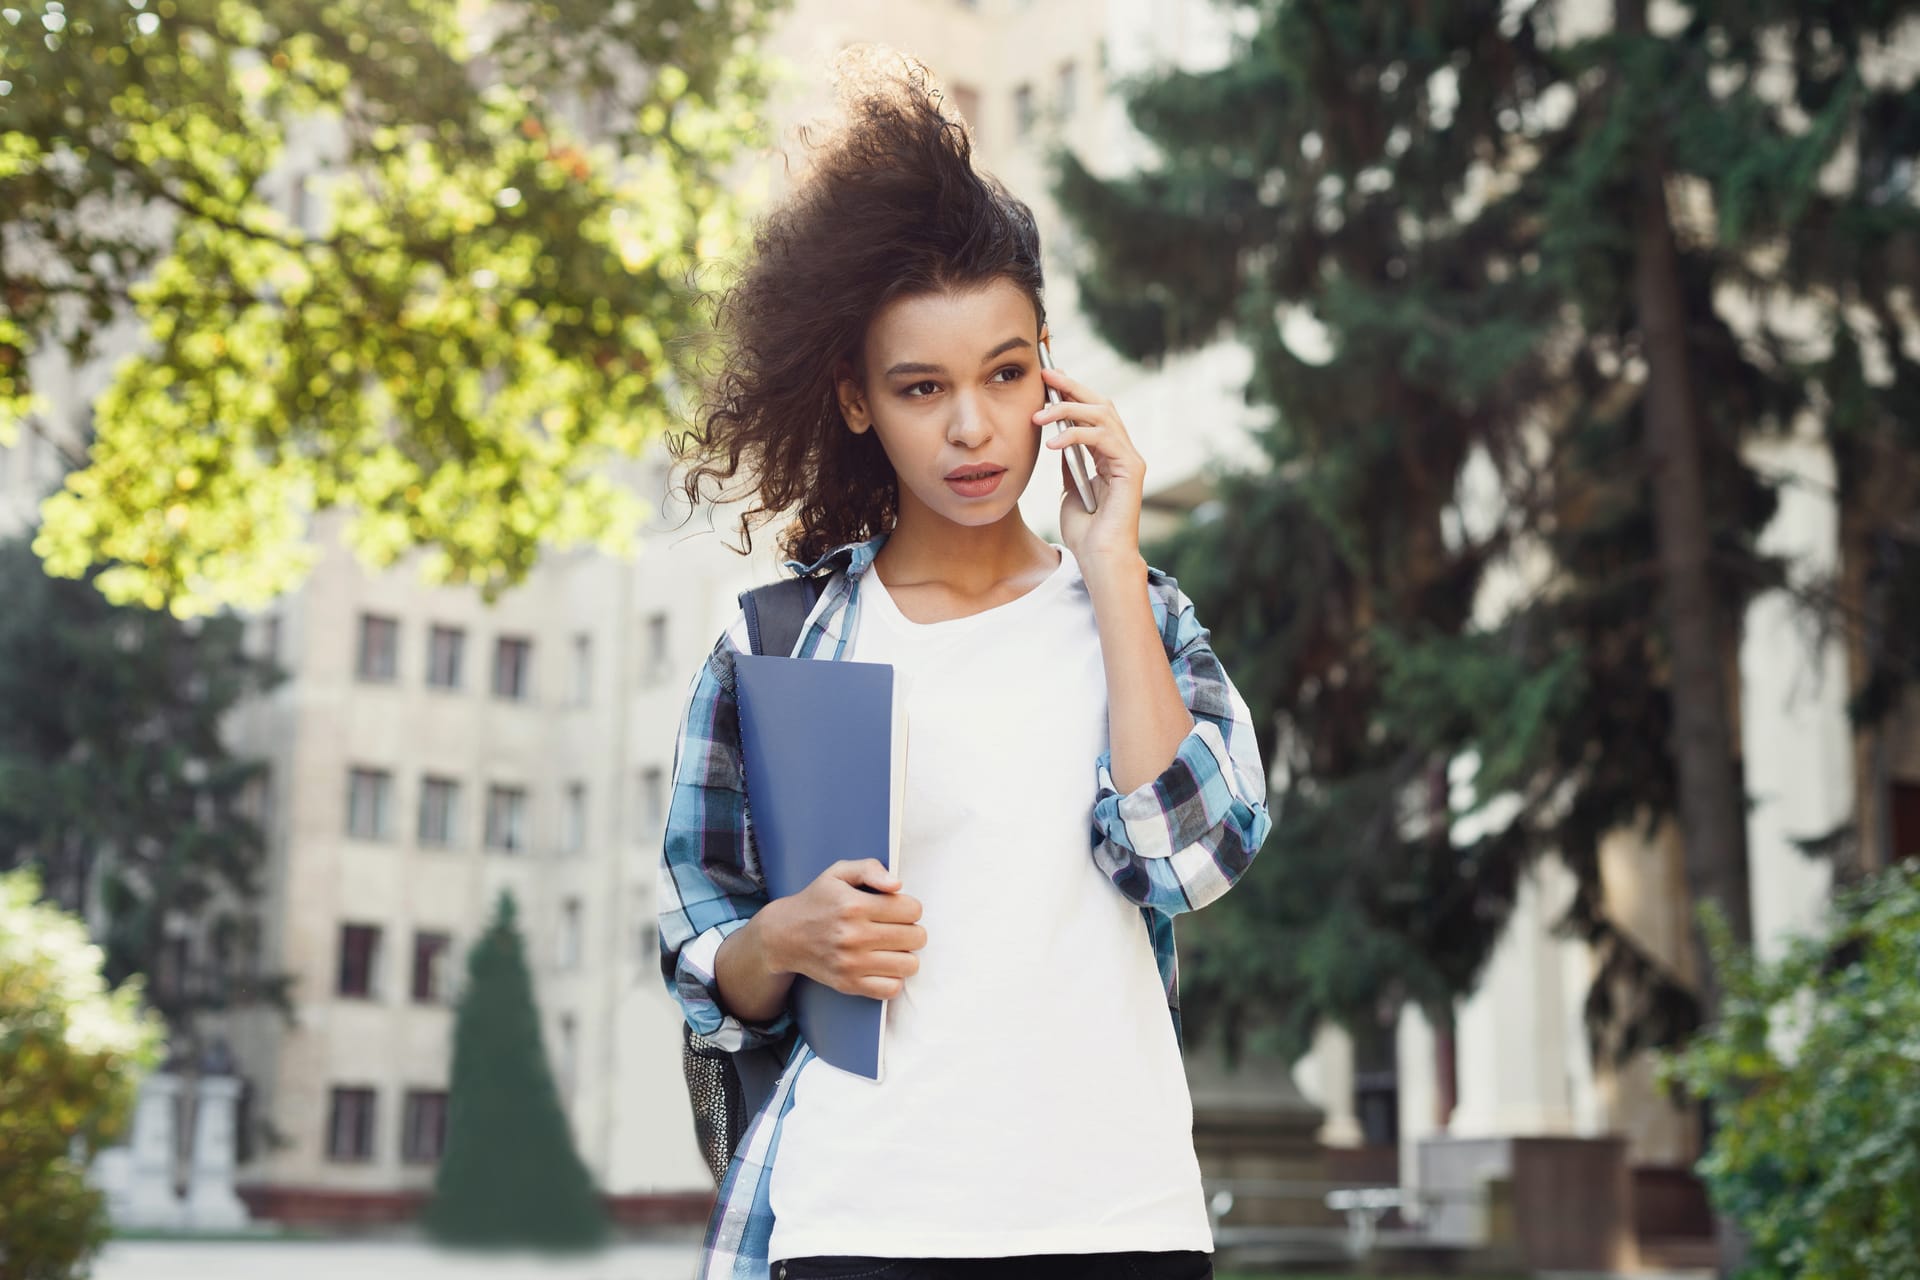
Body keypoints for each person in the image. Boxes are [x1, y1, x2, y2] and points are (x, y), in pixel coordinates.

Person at [657, 49, 1275, 1280]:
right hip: (863, 1220)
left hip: (1116, 1215)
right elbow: (702, 951)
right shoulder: (777, 642)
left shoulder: (1137, 615)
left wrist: (1109, 569)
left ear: (1049, 360)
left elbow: (1186, 858)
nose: (973, 428)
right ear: (854, 401)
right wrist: (785, 935)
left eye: (1005, 372)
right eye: (921, 387)